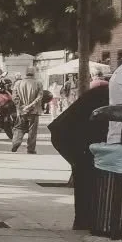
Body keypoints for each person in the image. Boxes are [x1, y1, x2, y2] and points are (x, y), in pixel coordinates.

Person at [49, 85, 110, 230]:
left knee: (84, 175)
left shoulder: (106, 92)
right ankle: (84, 220)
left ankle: (84, 220)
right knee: (86, 174)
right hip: (71, 135)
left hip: (68, 133)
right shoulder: (108, 96)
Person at [10, 71, 42, 153]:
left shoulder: (18, 83)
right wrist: (30, 105)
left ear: (25, 75)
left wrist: (22, 106)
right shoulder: (38, 83)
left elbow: (14, 97)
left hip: (22, 111)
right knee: (32, 130)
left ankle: (15, 143)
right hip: (34, 111)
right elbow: (40, 96)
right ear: (34, 75)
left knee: (19, 127)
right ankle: (30, 149)